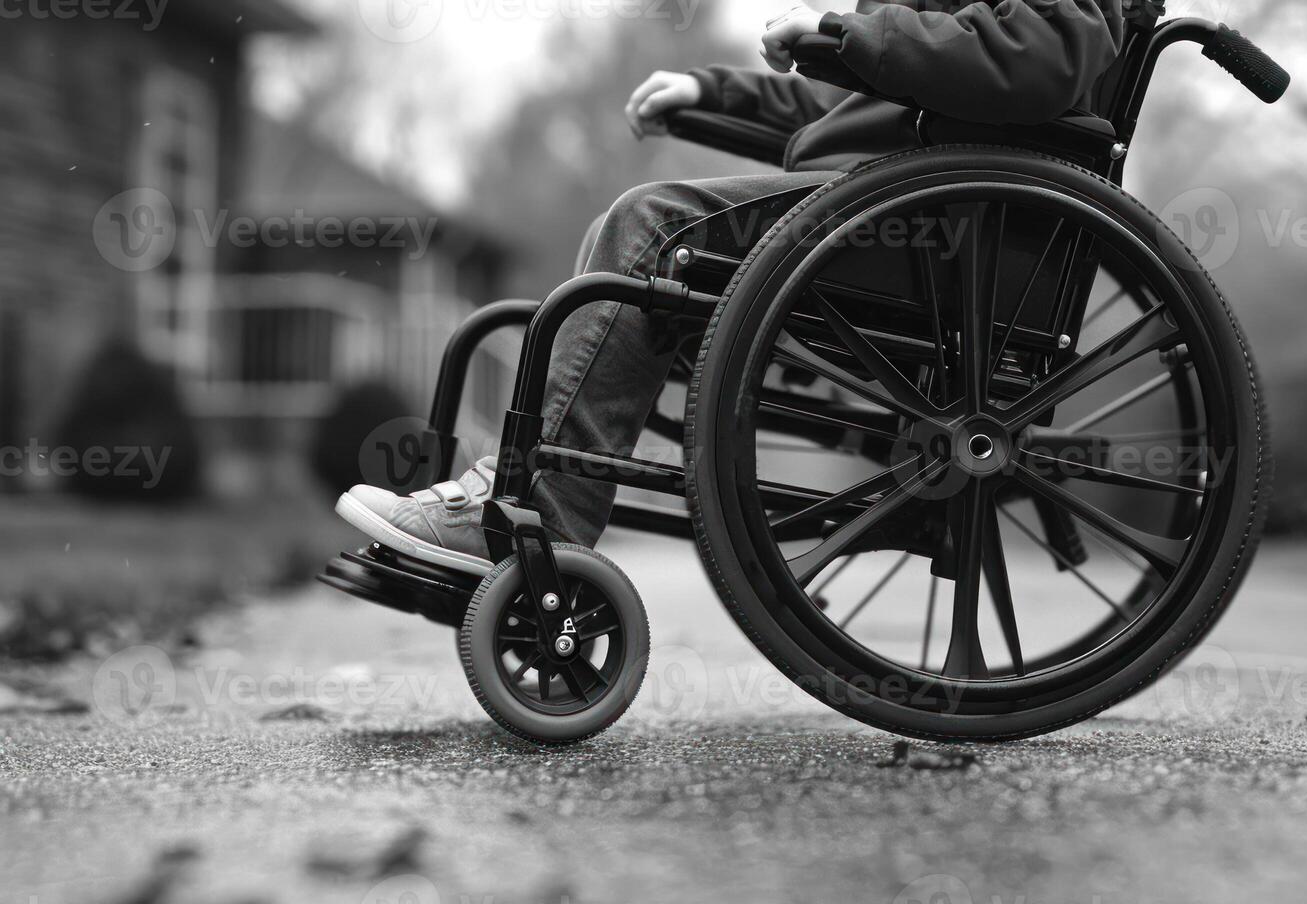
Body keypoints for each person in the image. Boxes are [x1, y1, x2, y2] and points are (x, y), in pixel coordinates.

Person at [336, 0, 1127, 575]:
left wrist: (852, 34)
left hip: (939, 231)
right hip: (894, 213)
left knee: (649, 229)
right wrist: (711, 93)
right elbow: (844, 110)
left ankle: (531, 522)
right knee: (637, 243)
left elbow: (1050, 55)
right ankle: (502, 509)